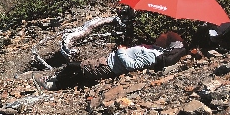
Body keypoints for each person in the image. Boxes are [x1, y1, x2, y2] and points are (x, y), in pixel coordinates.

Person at [45, 31, 187, 89]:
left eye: (166, 36)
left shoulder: (152, 55)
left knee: (74, 67)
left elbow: (130, 65)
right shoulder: (156, 49)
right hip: (108, 61)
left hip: (109, 65)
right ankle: (56, 81)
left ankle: (54, 84)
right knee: (79, 70)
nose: (162, 35)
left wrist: (121, 50)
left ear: (167, 44)